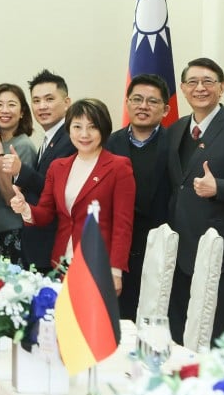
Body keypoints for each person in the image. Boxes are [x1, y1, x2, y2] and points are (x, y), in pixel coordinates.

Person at [166, 58, 224, 344]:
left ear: (222, 87)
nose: (200, 88)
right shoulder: (176, 129)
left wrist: (218, 187)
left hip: (221, 255)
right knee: (181, 336)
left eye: (208, 81)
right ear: (182, 88)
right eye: (192, 82)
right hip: (180, 254)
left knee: (218, 339)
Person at [9, 99, 135, 289]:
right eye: (77, 126)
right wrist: (25, 208)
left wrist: (115, 270)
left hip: (98, 265)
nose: (84, 134)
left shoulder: (119, 167)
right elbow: (45, 213)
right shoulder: (58, 167)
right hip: (61, 263)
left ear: (104, 129)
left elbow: (122, 225)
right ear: (69, 129)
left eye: (92, 127)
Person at [106, 74, 172, 320]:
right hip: (119, 253)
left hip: (160, 252)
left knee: (157, 322)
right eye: (137, 99)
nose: (143, 106)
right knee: (120, 323)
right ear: (127, 103)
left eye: (152, 101)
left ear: (165, 109)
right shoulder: (111, 142)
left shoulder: (176, 143)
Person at [0, 69, 76, 272]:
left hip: (54, 242)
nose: (42, 106)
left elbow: (56, 190)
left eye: (49, 99)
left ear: (66, 102)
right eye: (36, 100)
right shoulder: (50, 138)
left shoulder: (71, 138)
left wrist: (21, 170)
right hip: (39, 241)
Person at [0, 83, 37, 263]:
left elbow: (11, 198)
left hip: (13, 232)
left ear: (22, 112)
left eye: (12, 104)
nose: (5, 110)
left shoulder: (23, 145)